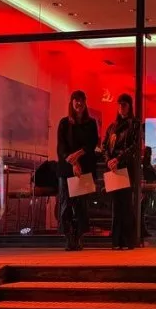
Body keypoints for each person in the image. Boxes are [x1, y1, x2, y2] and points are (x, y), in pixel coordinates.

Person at [56, 90, 99, 251]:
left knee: (82, 205)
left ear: (85, 102)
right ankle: (68, 238)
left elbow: (92, 144)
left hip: (85, 169)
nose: (79, 103)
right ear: (72, 102)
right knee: (66, 204)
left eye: (81, 100)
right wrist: (73, 162)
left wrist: (79, 154)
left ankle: (79, 237)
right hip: (67, 169)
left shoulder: (91, 123)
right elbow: (61, 147)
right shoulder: (64, 123)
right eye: (76, 100)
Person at [103, 93, 140, 250]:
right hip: (114, 168)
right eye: (119, 104)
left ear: (129, 106)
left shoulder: (134, 124)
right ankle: (116, 241)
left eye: (124, 104)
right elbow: (104, 146)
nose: (121, 107)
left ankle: (127, 241)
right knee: (116, 205)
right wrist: (109, 161)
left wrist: (118, 159)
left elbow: (134, 146)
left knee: (126, 204)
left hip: (126, 168)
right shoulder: (112, 126)